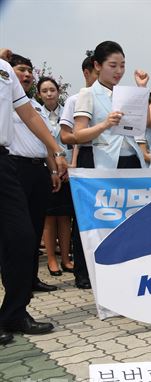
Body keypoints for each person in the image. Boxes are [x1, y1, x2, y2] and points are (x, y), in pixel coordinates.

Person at [0, 48, 68, 345]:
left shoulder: (5, 72)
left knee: (22, 237)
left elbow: (26, 112)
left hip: (2, 162)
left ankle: (14, 312)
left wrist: (55, 149)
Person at [9, 54, 62, 294]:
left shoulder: (34, 108)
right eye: (21, 70)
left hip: (38, 170)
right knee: (19, 232)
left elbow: (44, 141)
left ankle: (31, 279)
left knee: (35, 226)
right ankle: (16, 286)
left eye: (30, 71)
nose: (28, 75)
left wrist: (52, 168)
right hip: (14, 169)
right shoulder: (4, 103)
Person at [74, 41, 147, 169]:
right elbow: (78, 135)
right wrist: (104, 124)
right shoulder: (88, 93)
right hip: (106, 162)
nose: (119, 71)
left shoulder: (126, 95)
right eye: (113, 65)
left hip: (133, 159)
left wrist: (141, 89)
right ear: (97, 65)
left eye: (122, 66)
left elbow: (147, 123)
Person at [59, 53, 99, 289]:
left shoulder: (114, 99)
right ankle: (82, 273)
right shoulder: (75, 100)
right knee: (84, 218)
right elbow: (66, 134)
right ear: (88, 72)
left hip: (110, 159)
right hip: (86, 155)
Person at [38, 77, 74, 277]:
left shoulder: (67, 112)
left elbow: (73, 140)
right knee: (49, 217)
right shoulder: (36, 113)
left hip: (68, 170)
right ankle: (52, 259)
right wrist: (53, 170)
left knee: (65, 216)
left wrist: (69, 167)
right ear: (40, 94)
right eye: (45, 90)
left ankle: (66, 258)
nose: (49, 93)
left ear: (58, 92)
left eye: (52, 89)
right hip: (48, 171)